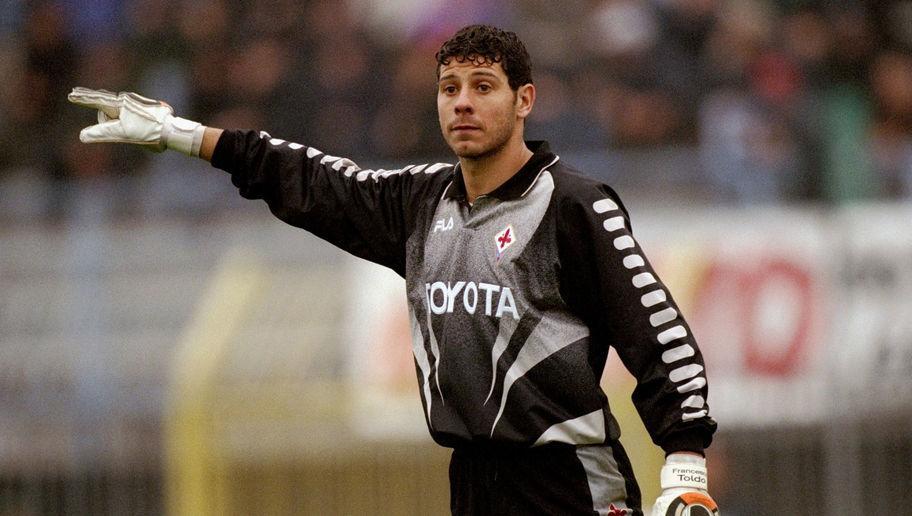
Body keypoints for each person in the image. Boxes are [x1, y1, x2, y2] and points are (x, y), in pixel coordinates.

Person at [70, 24, 718, 516]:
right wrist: (186, 137)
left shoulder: (572, 204)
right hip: (472, 482)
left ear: (525, 101)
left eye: (482, 87)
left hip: (569, 483)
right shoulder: (418, 201)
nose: (462, 103)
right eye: (449, 88)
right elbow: (311, 179)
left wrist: (684, 460)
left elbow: (657, 331)